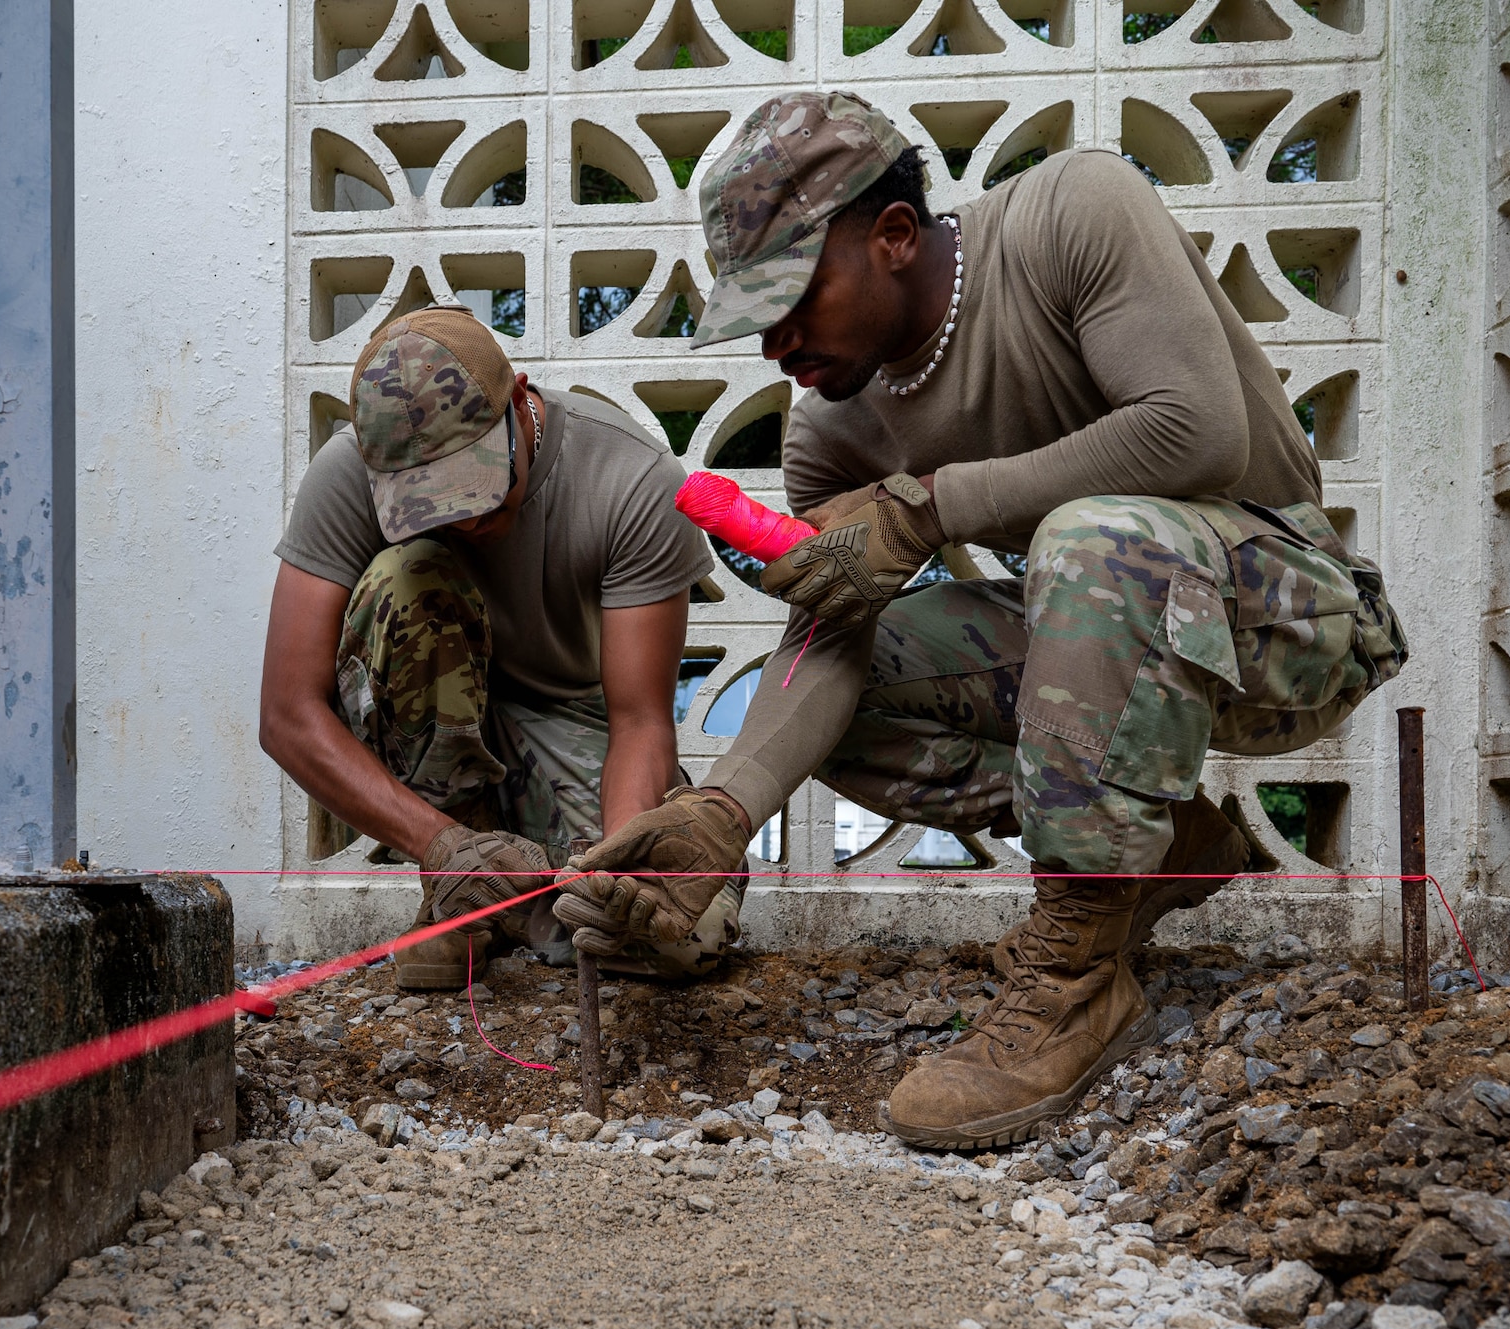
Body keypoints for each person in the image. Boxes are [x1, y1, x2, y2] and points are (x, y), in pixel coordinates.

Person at [552, 92, 1407, 1148]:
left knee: (1091, 539)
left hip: (1291, 622)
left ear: (894, 236)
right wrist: (722, 811)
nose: (775, 342)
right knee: (841, 684)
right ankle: (1157, 843)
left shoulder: (1070, 214)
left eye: (792, 297)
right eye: (751, 313)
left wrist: (928, 506)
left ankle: (1076, 972)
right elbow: (830, 639)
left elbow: (1195, 433)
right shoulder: (830, 426)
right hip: (1114, 644)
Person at [259, 304, 738, 989]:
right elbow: (286, 712)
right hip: (433, 749)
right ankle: (463, 892)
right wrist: (445, 844)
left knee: (682, 935)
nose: (469, 518)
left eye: (476, 487)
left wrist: (616, 869)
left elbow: (640, 723)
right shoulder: (345, 476)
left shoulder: (631, 479)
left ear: (518, 400)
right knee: (406, 575)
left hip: (572, 732)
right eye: (435, 501)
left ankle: (521, 903)